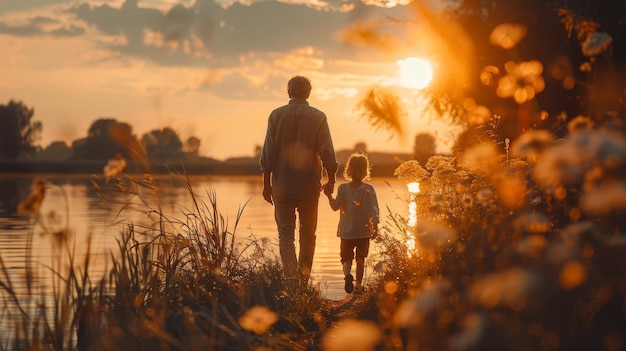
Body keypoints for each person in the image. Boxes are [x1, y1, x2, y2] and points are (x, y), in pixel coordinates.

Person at [260, 75, 338, 281]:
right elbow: (327, 151)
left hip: (282, 186)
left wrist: (266, 184)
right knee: (308, 236)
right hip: (309, 187)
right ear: (309, 93)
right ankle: (303, 281)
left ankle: (291, 281)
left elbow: (268, 152)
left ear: (288, 92)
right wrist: (331, 179)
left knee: (285, 235)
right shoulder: (319, 117)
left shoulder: (276, 116)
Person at [326, 153, 379, 293]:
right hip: (363, 231)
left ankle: (347, 276)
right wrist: (375, 225)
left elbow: (335, 207)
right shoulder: (369, 189)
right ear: (365, 170)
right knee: (361, 258)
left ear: (348, 169)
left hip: (346, 231)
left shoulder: (343, 188)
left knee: (346, 258)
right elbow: (374, 209)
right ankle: (359, 286)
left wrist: (328, 196)